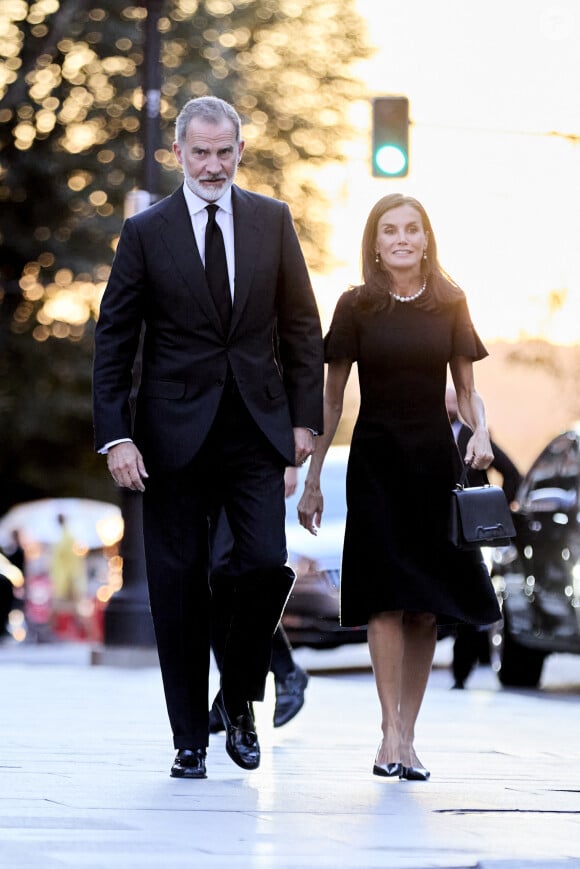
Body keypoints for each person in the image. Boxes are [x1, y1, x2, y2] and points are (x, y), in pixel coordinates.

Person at [93, 96, 324, 779]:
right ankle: (189, 738)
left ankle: (240, 700)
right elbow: (114, 341)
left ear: (240, 151)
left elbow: (301, 328)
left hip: (255, 430)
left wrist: (303, 418)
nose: (214, 164)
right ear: (179, 153)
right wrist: (117, 437)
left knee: (259, 565)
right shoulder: (146, 232)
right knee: (178, 586)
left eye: (225, 152)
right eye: (201, 152)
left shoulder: (272, 221)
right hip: (168, 438)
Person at [297, 193, 501, 782]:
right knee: (384, 598)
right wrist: (313, 479)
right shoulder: (356, 305)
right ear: (376, 245)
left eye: (413, 229)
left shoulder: (450, 303)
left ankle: (407, 735)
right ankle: (389, 730)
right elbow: (332, 399)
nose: (403, 239)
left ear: (426, 239)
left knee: (425, 608)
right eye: (391, 231)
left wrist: (480, 432)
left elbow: (466, 390)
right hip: (376, 465)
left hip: (434, 465)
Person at [209, 467, 308, 733]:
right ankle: (237, 692)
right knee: (210, 576)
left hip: (248, 459)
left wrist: (289, 464)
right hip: (200, 459)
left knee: (226, 570)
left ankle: (244, 693)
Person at [445, 386, 522, 689]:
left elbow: (513, 473)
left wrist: (501, 513)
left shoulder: (475, 436)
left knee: (469, 598)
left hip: (469, 532)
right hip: (436, 529)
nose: (450, 406)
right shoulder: (426, 435)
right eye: (446, 400)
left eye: (454, 400)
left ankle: (461, 673)